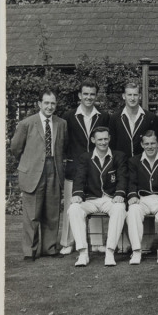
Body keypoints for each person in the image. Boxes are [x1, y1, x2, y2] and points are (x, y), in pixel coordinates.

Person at [9, 89, 68, 260]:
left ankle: (50, 248)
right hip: (33, 171)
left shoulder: (61, 123)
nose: (50, 107)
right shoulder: (27, 124)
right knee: (32, 214)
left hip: (54, 169)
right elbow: (15, 148)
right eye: (47, 103)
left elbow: (63, 147)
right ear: (39, 104)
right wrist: (29, 161)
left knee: (52, 211)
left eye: (53, 103)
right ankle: (30, 251)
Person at [59, 80, 110, 255]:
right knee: (71, 205)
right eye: (85, 94)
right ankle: (67, 242)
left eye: (92, 94)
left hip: (97, 169)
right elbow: (64, 142)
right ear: (80, 95)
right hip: (74, 169)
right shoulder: (68, 116)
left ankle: (96, 243)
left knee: (94, 202)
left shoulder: (103, 117)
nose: (89, 97)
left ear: (96, 96)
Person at [67, 126, 128, 267]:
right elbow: (79, 177)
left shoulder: (118, 156)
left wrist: (119, 194)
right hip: (91, 199)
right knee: (74, 209)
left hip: (110, 199)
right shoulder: (85, 157)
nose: (103, 142)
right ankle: (83, 253)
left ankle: (110, 252)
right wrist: (77, 194)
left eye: (106, 139)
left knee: (119, 208)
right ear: (93, 140)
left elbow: (122, 178)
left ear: (110, 139)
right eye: (100, 139)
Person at [125, 130, 158, 265]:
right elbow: (132, 182)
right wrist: (133, 195)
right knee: (133, 210)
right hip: (143, 199)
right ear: (142, 145)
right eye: (146, 144)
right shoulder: (134, 161)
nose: (150, 146)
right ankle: (136, 251)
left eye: (153, 143)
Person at [110, 81, 158, 158]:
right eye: (129, 95)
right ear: (124, 96)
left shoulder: (150, 118)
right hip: (122, 164)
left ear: (140, 96)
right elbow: (112, 145)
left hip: (143, 164)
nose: (132, 98)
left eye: (135, 95)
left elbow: (154, 143)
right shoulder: (114, 118)